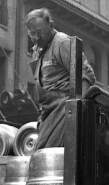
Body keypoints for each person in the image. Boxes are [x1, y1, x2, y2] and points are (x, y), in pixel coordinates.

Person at [25, 8, 96, 149]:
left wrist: (76, 115)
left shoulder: (62, 42)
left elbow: (87, 76)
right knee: (42, 157)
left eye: (41, 32)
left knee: (49, 155)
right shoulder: (37, 51)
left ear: (51, 26)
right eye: (33, 34)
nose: (37, 38)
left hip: (65, 110)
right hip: (49, 114)